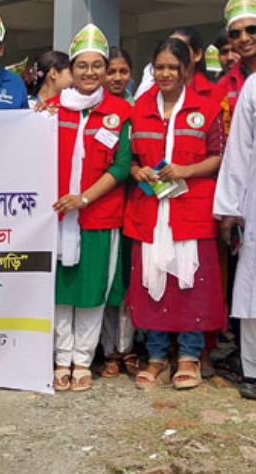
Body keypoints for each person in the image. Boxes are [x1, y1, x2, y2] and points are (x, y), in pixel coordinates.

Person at [126, 37, 226, 391]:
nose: (165, 73)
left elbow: (219, 157)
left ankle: (188, 355)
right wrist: (138, 171)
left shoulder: (207, 108)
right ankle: (156, 357)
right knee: (152, 278)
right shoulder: (138, 109)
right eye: (160, 67)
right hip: (150, 210)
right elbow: (130, 159)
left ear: (187, 70)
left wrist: (187, 170)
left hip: (191, 209)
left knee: (191, 283)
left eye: (173, 67)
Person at [45, 25, 131, 392]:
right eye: (82, 65)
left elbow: (121, 166)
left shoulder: (120, 112)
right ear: (72, 69)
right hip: (56, 215)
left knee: (93, 290)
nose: (90, 72)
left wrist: (83, 198)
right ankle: (60, 358)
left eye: (97, 66)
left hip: (99, 215)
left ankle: (82, 359)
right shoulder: (50, 110)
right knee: (60, 291)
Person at [97, 46, 140, 379]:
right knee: (106, 280)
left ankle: (128, 347)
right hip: (101, 206)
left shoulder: (137, 109)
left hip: (135, 204)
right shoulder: (91, 108)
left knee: (127, 278)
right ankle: (108, 349)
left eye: (122, 71)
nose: (116, 77)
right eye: (110, 71)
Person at [215, 73, 256, 399]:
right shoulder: (254, 86)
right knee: (253, 287)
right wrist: (230, 207)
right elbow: (239, 149)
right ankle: (253, 371)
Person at [212, 0, 256, 132]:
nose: (244, 38)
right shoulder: (224, 86)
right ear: (229, 39)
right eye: (235, 33)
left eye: (251, 30)